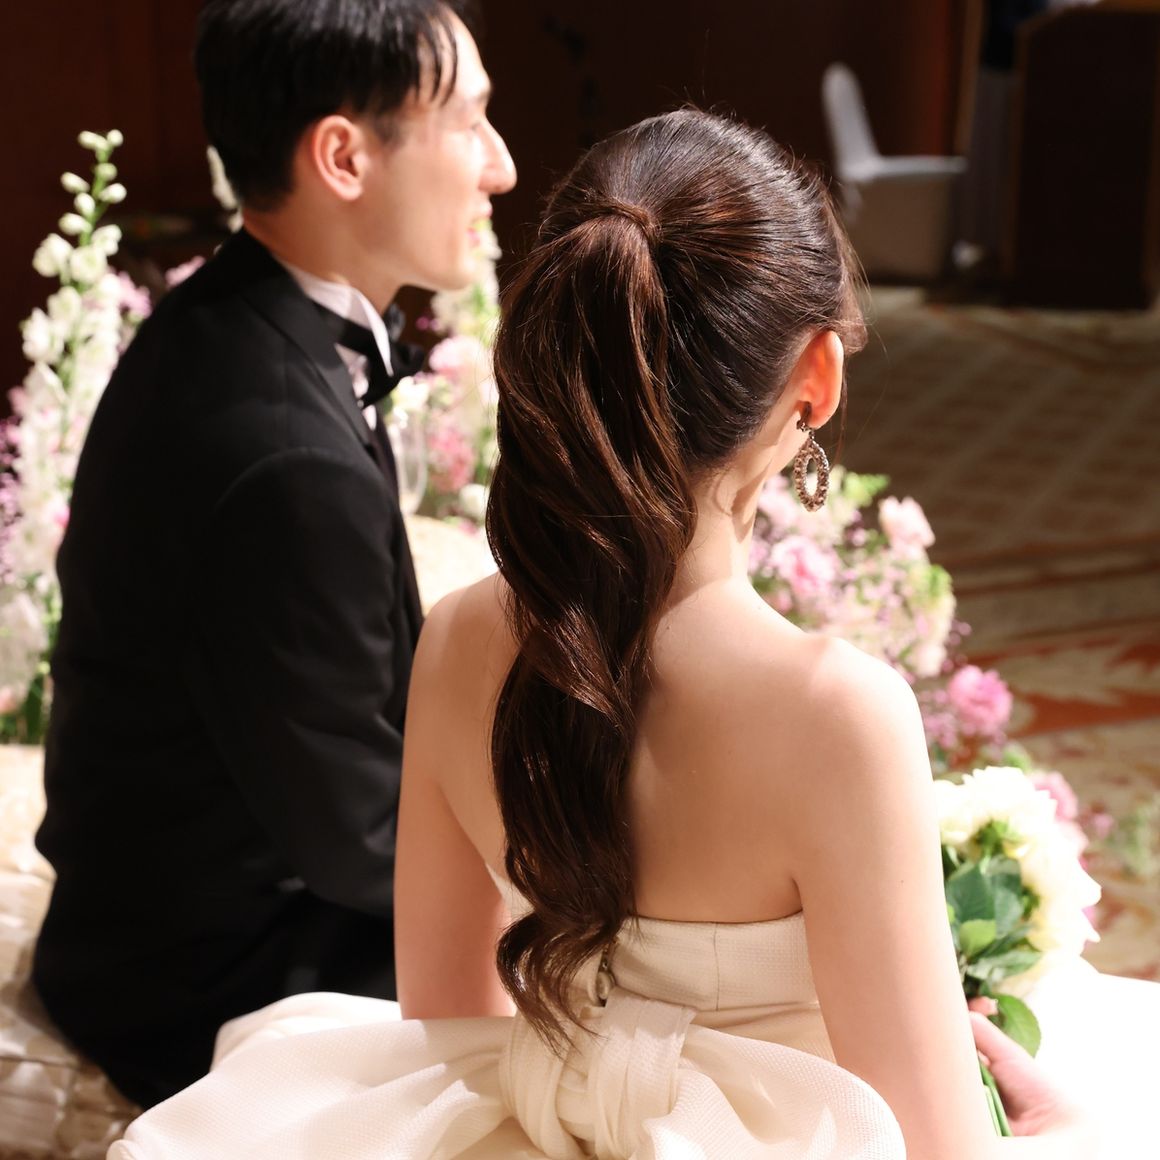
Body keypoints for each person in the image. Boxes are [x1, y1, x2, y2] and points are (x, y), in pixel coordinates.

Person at [111, 110, 1156, 1158]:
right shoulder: (838, 714)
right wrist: (1072, 1134)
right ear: (817, 377)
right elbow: (936, 1145)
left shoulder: (458, 639)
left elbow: (450, 1036)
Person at [32, 0, 515, 1109]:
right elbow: (363, 837)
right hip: (210, 973)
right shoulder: (283, 454)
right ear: (343, 156)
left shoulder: (228, 316)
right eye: (469, 122)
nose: (499, 166)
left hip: (177, 907)